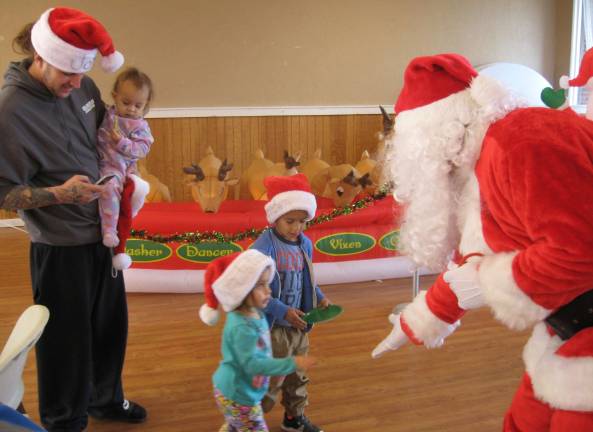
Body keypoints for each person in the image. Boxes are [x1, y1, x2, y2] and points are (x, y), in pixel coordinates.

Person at [371, 53, 593, 431]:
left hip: (583, 324)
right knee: (525, 419)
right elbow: (479, 256)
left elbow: (576, 253)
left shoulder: (522, 144)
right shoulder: (483, 157)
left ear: (439, 133)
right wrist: (417, 321)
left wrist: (497, 281)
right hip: (570, 321)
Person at [0, 7, 146, 431]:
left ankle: (105, 398)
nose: (78, 84)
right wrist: (60, 194)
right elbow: (3, 190)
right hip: (60, 245)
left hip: (104, 238)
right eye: (68, 73)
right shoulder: (10, 112)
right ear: (41, 58)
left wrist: (130, 161)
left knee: (109, 327)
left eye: (82, 74)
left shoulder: (81, 89)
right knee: (65, 343)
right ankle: (64, 419)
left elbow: (106, 136)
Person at [199, 249, 316, 431]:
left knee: (237, 425)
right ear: (242, 289)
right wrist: (290, 363)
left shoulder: (255, 313)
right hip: (237, 396)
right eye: (261, 285)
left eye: (267, 283)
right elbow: (253, 365)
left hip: (243, 390)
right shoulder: (241, 328)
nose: (269, 290)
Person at [250, 173, 329, 432]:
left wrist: (319, 297)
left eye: (302, 221)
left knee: (297, 376)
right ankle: (247, 421)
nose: (297, 228)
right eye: (290, 221)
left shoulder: (305, 244)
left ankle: (294, 418)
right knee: (271, 381)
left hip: (300, 325)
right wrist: (282, 311)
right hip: (273, 328)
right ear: (275, 218)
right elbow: (254, 289)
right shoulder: (264, 248)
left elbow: (308, 279)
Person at [97, 66, 153, 269]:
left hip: (126, 168)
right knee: (109, 189)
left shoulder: (140, 125)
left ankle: (121, 225)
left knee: (135, 192)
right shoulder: (108, 115)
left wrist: (122, 143)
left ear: (145, 105)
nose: (131, 109)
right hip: (107, 166)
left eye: (138, 105)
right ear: (115, 96)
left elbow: (142, 149)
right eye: (126, 102)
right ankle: (109, 230)